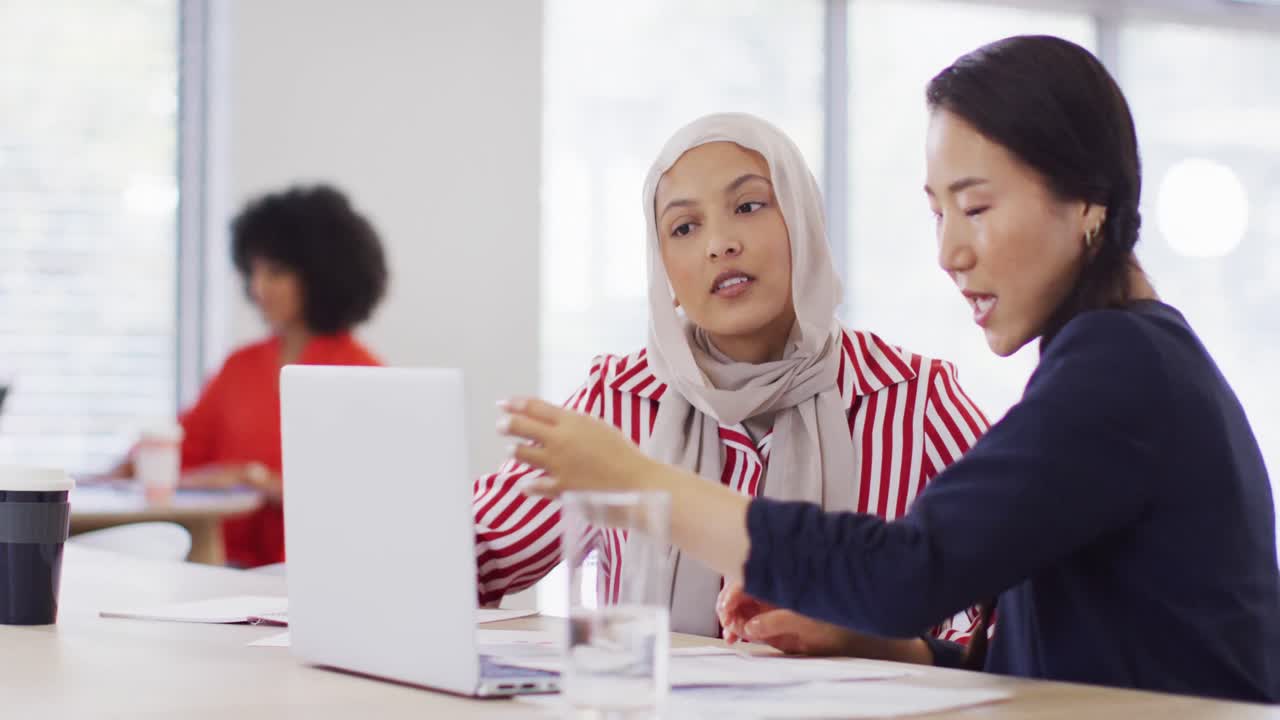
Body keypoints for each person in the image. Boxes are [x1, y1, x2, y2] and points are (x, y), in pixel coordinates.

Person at [498, 36, 1280, 703]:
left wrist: (640, 485)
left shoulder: (1119, 370)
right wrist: (880, 643)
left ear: (1089, 201)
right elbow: (1022, 654)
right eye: (937, 213)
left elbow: (911, 570)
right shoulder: (1113, 360)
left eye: (975, 208)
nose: (949, 253)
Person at [477, 112, 989, 651]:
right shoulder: (616, 400)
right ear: (663, 271)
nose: (719, 244)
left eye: (748, 207)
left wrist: (882, 638)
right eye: (684, 228)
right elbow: (475, 551)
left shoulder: (914, 398)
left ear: (804, 224)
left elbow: (1006, 619)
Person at [112, 184, 388, 567]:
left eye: (275, 273)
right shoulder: (240, 366)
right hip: (220, 569)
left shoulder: (363, 375)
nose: (258, 288)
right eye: (253, 272)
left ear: (319, 276)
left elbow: (370, 500)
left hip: (314, 574)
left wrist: (260, 482)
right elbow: (172, 456)